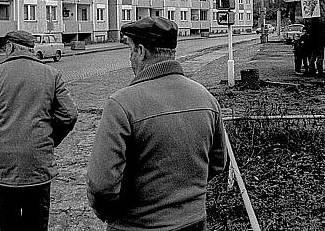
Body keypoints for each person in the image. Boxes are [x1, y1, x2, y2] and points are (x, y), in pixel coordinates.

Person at [86, 17, 228, 231]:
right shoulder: (206, 98)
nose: (131, 59)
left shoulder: (122, 104)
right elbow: (218, 162)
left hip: (137, 226)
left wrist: (112, 215)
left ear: (141, 51)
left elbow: (102, 185)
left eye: (131, 50)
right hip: (194, 222)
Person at [0, 30, 77, 231]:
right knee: (37, 217)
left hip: (5, 161)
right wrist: (50, 139)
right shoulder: (51, 75)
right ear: (31, 49)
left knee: (8, 217)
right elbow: (69, 114)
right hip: (38, 159)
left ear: (9, 47)